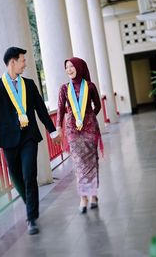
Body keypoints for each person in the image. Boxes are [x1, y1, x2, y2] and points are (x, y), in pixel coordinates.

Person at [0, 47, 61, 234]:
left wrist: (53, 132)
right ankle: (31, 204)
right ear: (12, 61)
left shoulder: (29, 84)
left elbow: (41, 110)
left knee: (29, 175)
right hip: (8, 139)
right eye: (22, 60)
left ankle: (31, 218)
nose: (25, 63)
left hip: (29, 137)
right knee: (16, 177)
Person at [56, 57, 102, 214]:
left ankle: (93, 194)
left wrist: (89, 117)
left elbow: (98, 105)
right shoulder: (64, 88)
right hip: (72, 130)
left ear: (80, 67)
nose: (69, 69)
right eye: (67, 67)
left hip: (89, 128)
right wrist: (58, 127)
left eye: (72, 66)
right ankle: (83, 196)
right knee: (78, 163)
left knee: (91, 160)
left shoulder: (90, 86)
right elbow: (61, 110)